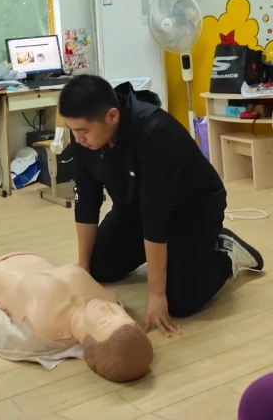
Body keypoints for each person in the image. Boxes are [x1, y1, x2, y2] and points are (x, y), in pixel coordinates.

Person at [58, 74, 264, 336]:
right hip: (134, 207)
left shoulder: (154, 133)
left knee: (180, 301)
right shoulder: (84, 138)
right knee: (98, 267)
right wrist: (83, 269)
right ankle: (169, 258)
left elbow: (155, 216)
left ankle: (227, 251)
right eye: (73, 130)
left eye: (83, 131)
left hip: (193, 210)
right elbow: (86, 200)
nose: (77, 139)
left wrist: (156, 295)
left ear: (112, 116)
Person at [0, 251, 153, 382]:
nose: (107, 308)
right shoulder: (105, 298)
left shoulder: (45, 328)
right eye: (120, 313)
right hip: (32, 256)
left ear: (90, 346)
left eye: (104, 321)